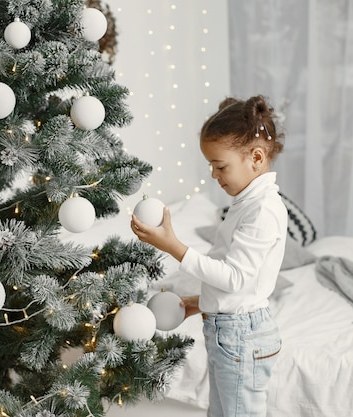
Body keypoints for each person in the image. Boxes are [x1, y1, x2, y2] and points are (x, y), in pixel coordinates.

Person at [131, 95, 287, 417]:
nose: (215, 176)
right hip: (230, 331)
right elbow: (237, 281)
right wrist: (197, 301)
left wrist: (173, 245)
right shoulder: (247, 203)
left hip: (241, 335)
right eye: (211, 166)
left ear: (256, 157)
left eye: (220, 166)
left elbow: (234, 277)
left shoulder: (263, 211)